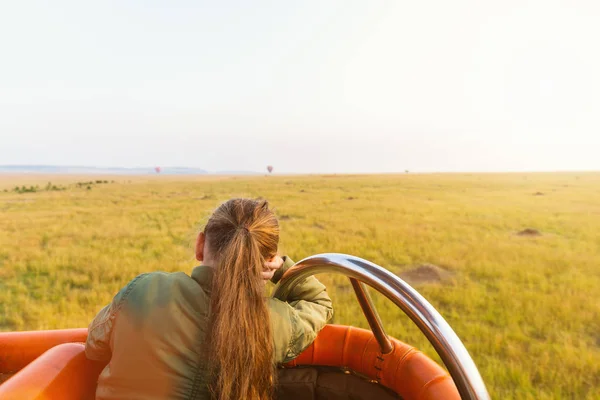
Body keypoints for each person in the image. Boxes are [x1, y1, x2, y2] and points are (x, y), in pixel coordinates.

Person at [85, 198, 333, 400]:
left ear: (200, 244)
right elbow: (319, 303)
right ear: (266, 260)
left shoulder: (144, 288)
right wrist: (281, 269)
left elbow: (94, 347)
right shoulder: (269, 322)